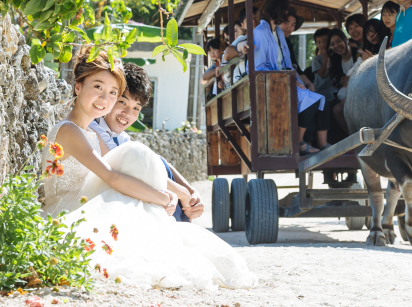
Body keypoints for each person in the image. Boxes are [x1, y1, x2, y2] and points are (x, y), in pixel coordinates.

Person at [42, 48, 257, 290]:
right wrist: (162, 197)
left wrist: (175, 192)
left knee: (137, 158)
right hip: (69, 212)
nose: (105, 98)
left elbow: (126, 169)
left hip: (88, 202)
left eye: (113, 92)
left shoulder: (91, 132)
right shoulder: (69, 130)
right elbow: (111, 177)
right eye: (98, 87)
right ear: (78, 87)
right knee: (135, 160)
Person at [89, 63, 203, 223]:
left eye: (136, 108)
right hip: (106, 203)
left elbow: (161, 163)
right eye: (122, 102)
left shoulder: (119, 136)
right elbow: (126, 172)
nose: (128, 113)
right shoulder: (93, 129)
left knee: (154, 161)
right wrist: (182, 193)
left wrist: (191, 192)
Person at [253, 0, 327, 155]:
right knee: (311, 100)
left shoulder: (278, 33)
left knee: (318, 99)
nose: (286, 14)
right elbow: (259, 67)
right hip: (271, 85)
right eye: (284, 11)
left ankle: (307, 141)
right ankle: (299, 141)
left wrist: (294, 79)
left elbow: (286, 63)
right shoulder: (260, 31)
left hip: (286, 80)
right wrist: (287, 80)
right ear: (276, 10)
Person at [327, 29, 360, 137]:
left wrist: (351, 78)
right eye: (332, 44)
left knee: (343, 104)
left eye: (338, 41)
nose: (336, 46)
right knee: (336, 109)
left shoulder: (358, 54)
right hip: (346, 93)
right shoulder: (335, 60)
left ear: (346, 39)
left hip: (360, 90)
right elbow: (336, 82)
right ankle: (351, 138)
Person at [280, 10, 316, 91]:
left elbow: (295, 66)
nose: (289, 27)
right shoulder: (270, 40)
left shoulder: (288, 43)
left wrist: (309, 84)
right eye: (286, 22)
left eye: (293, 25)